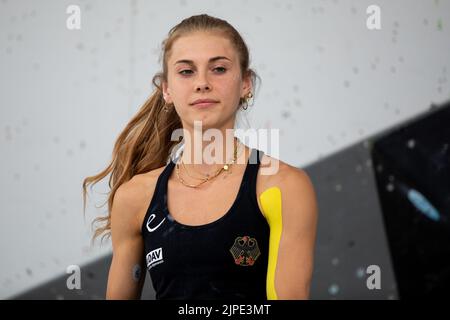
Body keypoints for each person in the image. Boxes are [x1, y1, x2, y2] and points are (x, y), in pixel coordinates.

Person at [82, 14, 318, 300]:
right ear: (166, 90)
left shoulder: (282, 185)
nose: (202, 83)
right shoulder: (135, 197)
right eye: (186, 71)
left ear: (246, 84)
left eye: (218, 69)